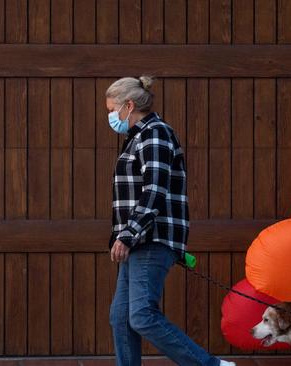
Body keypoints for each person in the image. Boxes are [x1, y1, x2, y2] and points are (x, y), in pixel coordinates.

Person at [106, 76, 235, 366]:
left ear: (129, 105)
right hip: (138, 239)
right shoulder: (139, 137)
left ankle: (210, 365)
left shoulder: (155, 134)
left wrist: (128, 234)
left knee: (140, 315)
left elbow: (155, 190)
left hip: (152, 237)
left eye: (112, 110)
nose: (111, 117)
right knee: (121, 318)